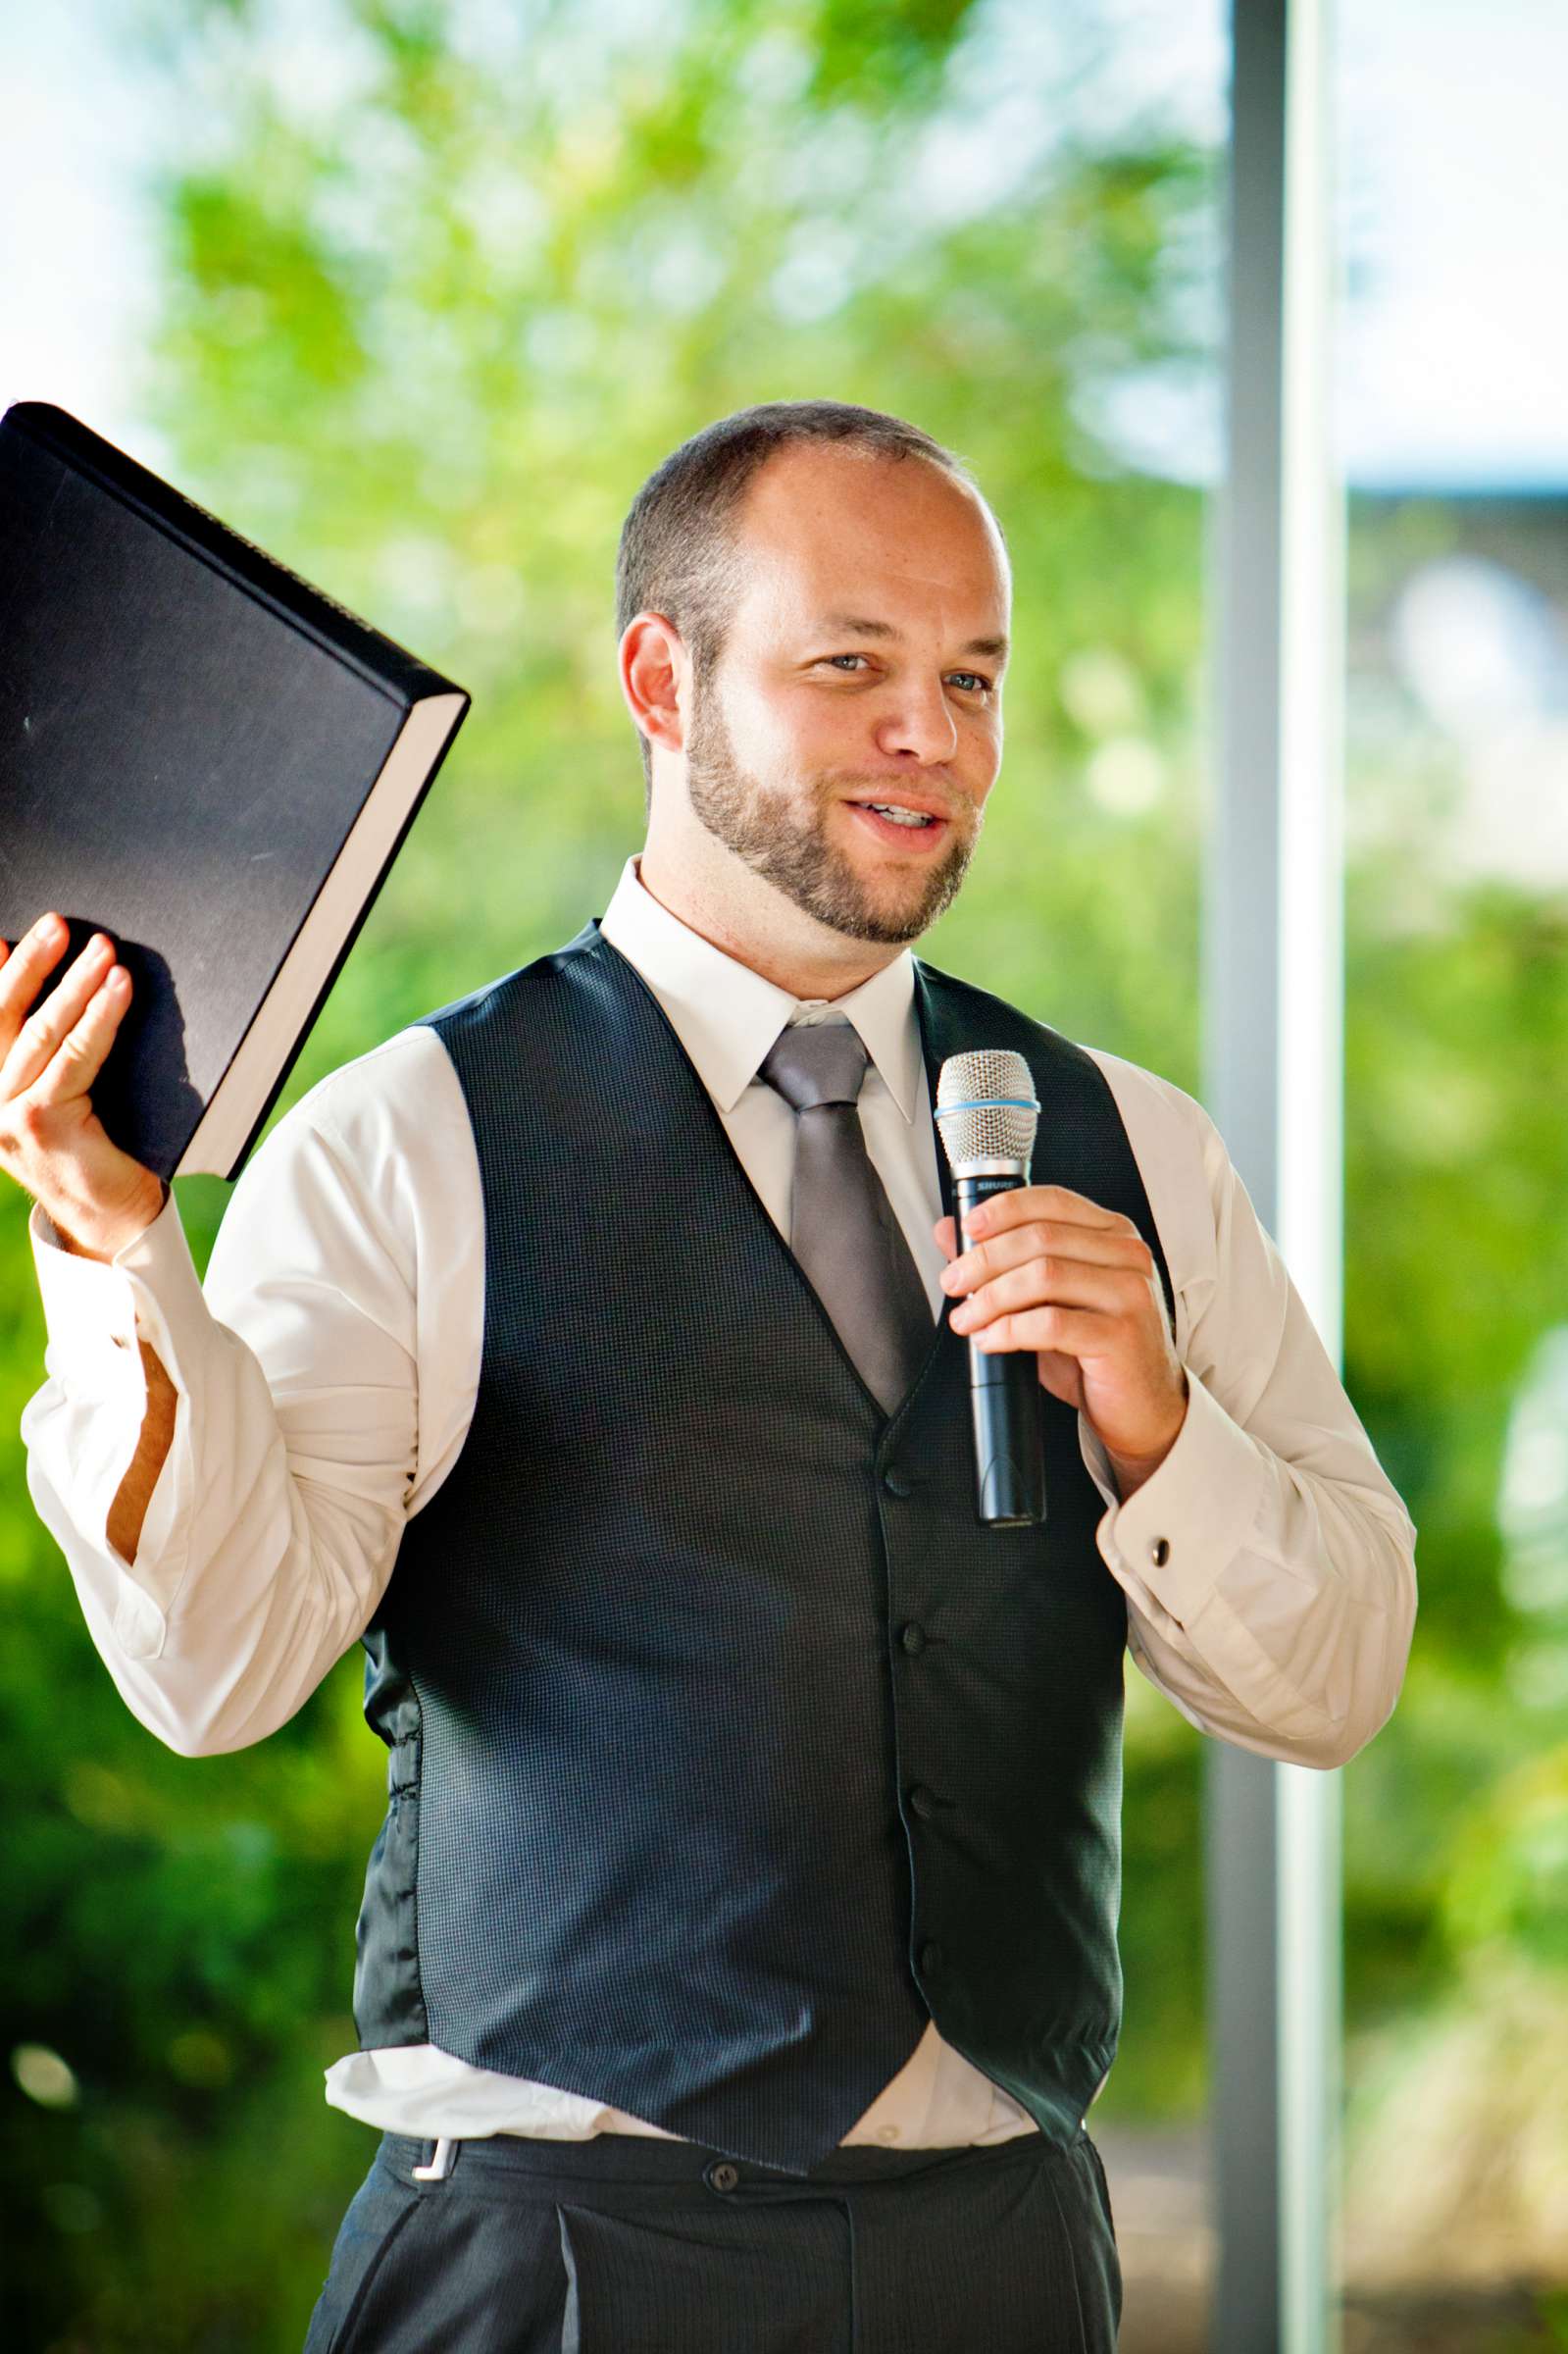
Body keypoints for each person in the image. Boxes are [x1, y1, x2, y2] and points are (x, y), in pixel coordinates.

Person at [7, 400, 1416, 2353]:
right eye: (851, 665)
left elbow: (1335, 1676)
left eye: (969, 678)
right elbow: (219, 1670)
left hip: (1004, 2265)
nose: (932, 733)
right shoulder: (406, 1138)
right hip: (557, 2268)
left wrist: (1160, 1427)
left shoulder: (1134, 1147)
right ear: (659, 682)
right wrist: (111, 1247)